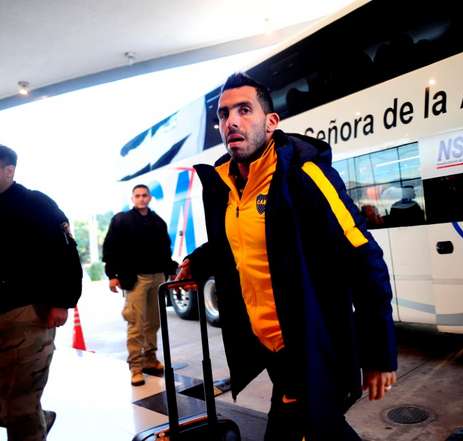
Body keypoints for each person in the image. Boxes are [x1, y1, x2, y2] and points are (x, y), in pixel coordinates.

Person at [176, 73, 397, 440]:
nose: (231, 121)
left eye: (244, 110)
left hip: (311, 345)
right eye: (223, 114)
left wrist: (379, 353)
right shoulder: (224, 185)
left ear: (271, 121)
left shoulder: (304, 174)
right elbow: (234, 244)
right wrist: (197, 263)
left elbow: (364, 257)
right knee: (324, 430)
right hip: (271, 351)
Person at [0, 144, 82, 440]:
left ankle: (32, 422)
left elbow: (66, 253)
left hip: (27, 315)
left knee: (20, 406)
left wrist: (61, 303)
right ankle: (39, 418)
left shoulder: (35, 204)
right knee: (8, 403)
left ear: (9, 171)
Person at [102, 184, 177, 386]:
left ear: (150, 198)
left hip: (157, 278)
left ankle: (150, 359)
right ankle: (135, 367)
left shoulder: (158, 222)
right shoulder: (121, 220)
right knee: (135, 324)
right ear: (132, 198)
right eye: (138, 196)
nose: (141, 199)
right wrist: (112, 275)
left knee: (153, 323)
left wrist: (170, 271)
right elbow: (111, 248)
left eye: (145, 195)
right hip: (136, 279)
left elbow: (165, 250)